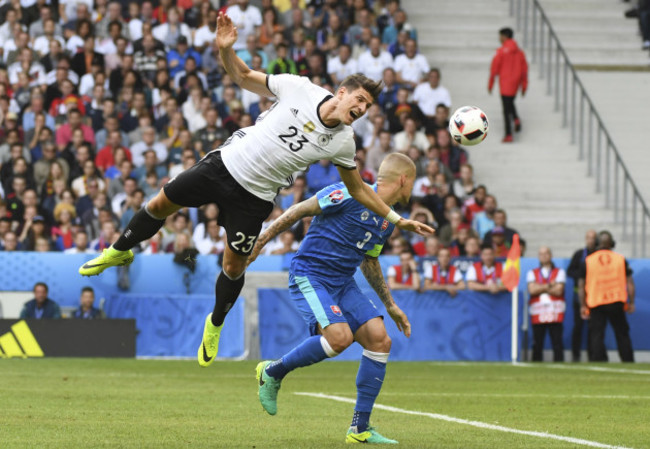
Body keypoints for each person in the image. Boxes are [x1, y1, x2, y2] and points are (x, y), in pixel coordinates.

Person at [78, 12, 432, 369]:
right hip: (224, 165)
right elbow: (244, 76)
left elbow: (357, 188)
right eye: (358, 99)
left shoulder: (343, 142)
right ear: (341, 93)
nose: (360, 108)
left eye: (367, 107)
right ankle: (120, 250)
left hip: (255, 199)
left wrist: (394, 219)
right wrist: (226, 51)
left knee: (233, 266)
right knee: (161, 201)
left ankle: (215, 323)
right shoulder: (299, 88)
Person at [247, 153, 415, 444]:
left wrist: (391, 305)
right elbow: (299, 210)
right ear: (404, 180)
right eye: (413, 182)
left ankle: (359, 429)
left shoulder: (386, 221)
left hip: (343, 282)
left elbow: (369, 261)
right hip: (310, 274)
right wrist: (261, 241)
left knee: (379, 339)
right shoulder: (350, 193)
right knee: (339, 338)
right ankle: (272, 371)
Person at [578, 230, 635, 362]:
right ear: (612, 243)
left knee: (597, 335)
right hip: (616, 300)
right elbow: (630, 282)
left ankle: (598, 360)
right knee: (622, 333)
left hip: (596, 301)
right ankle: (628, 360)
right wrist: (631, 302)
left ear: (597, 243)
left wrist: (583, 305)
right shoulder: (620, 259)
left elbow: (581, 285)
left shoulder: (588, 261)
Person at [488, 27, 528, 143]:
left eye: (500, 36)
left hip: (505, 83)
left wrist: (491, 84)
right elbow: (525, 70)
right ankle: (516, 119)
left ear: (505, 36)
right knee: (510, 102)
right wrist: (524, 86)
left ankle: (508, 134)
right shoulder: (520, 52)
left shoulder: (501, 51)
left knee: (506, 109)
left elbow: (494, 69)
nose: (499, 39)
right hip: (515, 84)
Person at [526, 246, 566, 362]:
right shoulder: (532, 272)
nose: (544, 256)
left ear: (551, 255)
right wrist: (549, 285)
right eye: (541, 254)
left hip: (555, 312)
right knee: (537, 342)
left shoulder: (560, 272)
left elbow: (559, 290)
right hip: (538, 312)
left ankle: (560, 365)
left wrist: (540, 287)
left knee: (557, 341)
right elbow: (532, 290)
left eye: (546, 253)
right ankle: (536, 365)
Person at [566, 229, 598, 362]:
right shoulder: (579, 254)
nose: (590, 240)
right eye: (588, 238)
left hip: (595, 296)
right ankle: (575, 354)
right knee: (578, 326)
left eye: (592, 238)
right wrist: (582, 275)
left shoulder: (599, 255)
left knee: (594, 328)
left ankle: (593, 355)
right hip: (578, 295)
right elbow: (570, 271)